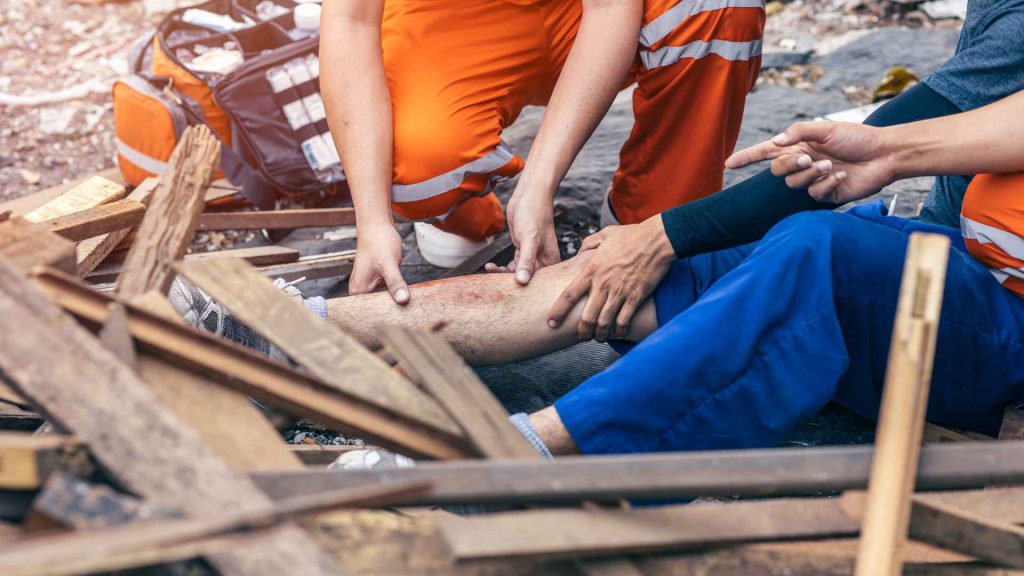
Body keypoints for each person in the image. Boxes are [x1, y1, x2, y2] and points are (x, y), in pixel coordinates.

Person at [174, 88, 1024, 459]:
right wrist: (662, 240)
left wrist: (886, 149)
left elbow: (936, 120)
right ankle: (294, 335)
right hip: (961, 268)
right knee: (654, 269)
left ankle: (532, 450)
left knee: (820, 252)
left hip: (1007, 327)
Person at [548, 0, 1024, 344]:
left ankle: (543, 446)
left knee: (803, 249)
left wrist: (660, 236)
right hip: (948, 243)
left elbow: (881, 142)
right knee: (669, 280)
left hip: (984, 287)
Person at [320, 0, 766, 304]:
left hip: (579, 12)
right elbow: (351, 22)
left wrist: (539, 185)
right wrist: (373, 223)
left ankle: (648, 226)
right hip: (446, 18)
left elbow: (610, 7)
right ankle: (468, 217)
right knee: (413, 166)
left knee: (718, 7)